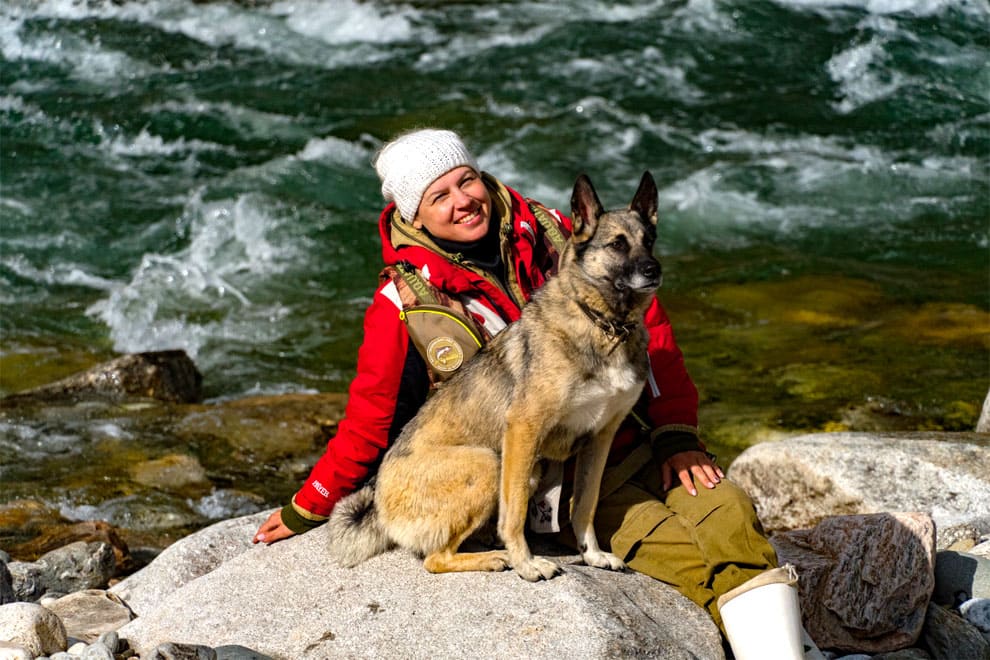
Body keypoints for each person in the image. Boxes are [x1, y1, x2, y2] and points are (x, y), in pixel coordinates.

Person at [252, 128, 821, 659]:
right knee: (680, 549)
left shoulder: (554, 229)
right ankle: (772, 643)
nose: (463, 200)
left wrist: (677, 434)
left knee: (728, 511)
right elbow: (371, 420)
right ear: (415, 215)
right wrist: (308, 506)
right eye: (439, 196)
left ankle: (781, 640)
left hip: (623, 439)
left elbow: (657, 342)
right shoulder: (400, 304)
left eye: (465, 180)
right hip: (549, 478)